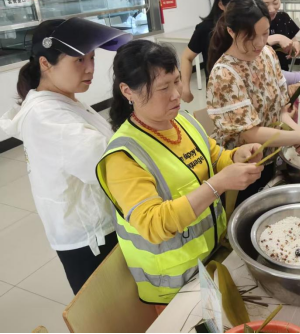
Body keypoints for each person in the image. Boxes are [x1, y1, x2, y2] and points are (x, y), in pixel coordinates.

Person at [96, 40, 264, 305]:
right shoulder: (123, 156)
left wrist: (235, 157)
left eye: (177, 81)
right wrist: (218, 185)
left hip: (212, 256)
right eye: (164, 87)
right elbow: (153, 225)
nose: (177, 93)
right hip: (173, 284)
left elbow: (213, 157)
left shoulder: (182, 120)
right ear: (128, 91)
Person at [0, 18, 132, 295]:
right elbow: (108, 164)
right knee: (108, 310)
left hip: (97, 225)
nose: (90, 68)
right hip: (92, 239)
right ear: (45, 64)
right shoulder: (47, 116)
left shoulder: (63, 99)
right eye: (79, 60)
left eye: (92, 58)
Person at [207, 0, 300, 206]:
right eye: (251, 37)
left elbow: (280, 111)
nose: (260, 43)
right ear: (231, 32)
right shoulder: (225, 74)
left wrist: (298, 135)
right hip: (240, 166)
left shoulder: (268, 54)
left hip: (269, 157)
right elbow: (250, 133)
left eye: (265, 33)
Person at [180, 0, 249, 102]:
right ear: (221, 5)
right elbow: (187, 57)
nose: (242, 8)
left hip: (246, 87)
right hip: (218, 93)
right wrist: (185, 88)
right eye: (236, 3)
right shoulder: (206, 29)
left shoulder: (248, 24)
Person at [252, 0, 300, 71]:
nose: (271, 9)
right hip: (259, 73)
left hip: (282, 71)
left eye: (275, 3)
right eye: (265, 5)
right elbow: (250, 44)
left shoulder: (284, 18)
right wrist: (278, 38)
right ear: (255, 3)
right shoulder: (250, 21)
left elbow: (294, 43)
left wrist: (295, 47)